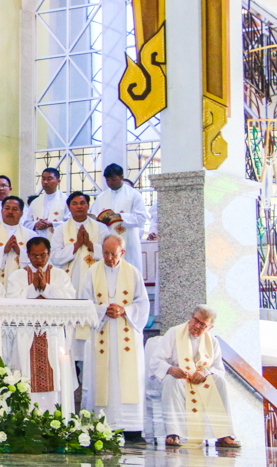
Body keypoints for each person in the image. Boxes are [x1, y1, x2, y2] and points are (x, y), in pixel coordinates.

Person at [80, 235, 150, 441]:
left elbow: (143, 304)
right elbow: (84, 304)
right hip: (102, 332)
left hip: (126, 334)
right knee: (104, 380)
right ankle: (103, 425)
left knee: (126, 379)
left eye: (113, 254)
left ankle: (132, 428)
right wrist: (103, 310)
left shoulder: (133, 272)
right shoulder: (92, 272)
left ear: (122, 253)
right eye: (105, 253)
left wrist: (124, 310)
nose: (109, 258)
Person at [150, 305, 239, 447]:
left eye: (203, 324)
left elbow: (218, 369)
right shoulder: (174, 333)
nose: (197, 326)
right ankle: (173, 433)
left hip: (200, 381)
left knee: (220, 381)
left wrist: (205, 372)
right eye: (196, 320)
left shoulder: (212, 341)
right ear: (191, 316)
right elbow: (156, 360)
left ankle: (223, 434)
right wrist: (171, 369)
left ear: (210, 328)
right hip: (178, 379)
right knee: (171, 380)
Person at [5, 237, 76, 412]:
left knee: (56, 376)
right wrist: (32, 289)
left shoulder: (60, 275)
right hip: (26, 334)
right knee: (25, 377)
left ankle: (56, 419)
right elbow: (12, 302)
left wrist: (46, 288)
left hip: (53, 335)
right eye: (34, 255)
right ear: (27, 255)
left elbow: (69, 301)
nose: (39, 260)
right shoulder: (17, 276)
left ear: (49, 253)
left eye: (42, 255)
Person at [50, 191, 109, 360]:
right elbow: (55, 256)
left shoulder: (101, 228)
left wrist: (89, 244)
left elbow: (109, 253)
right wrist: (76, 245)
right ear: (69, 207)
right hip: (70, 281)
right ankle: (72, 362)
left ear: (88, 206)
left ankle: (92, 359)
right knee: (71, 321)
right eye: (74, 203)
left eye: (82, 203)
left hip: (95, 279)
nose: (79, 207)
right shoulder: (61, 229)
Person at [92, 164, 149, 274]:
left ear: (122, 177)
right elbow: (94, 216)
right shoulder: (101, 197)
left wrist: (120, 217)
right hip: (108, 237)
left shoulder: (134, 195)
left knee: (129, 273)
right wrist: (99, 220)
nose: (110, 183)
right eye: (107, 180)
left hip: (128, 241)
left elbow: (142, 217)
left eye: (114, 179)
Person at [0, 196, 33, 286]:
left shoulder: (31, 234)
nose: (10, 212)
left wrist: (19, 251)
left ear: (21, 213)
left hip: (21, 283)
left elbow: (36, 258)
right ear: (1, 211)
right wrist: (3, 250)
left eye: (15, 209)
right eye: (7, 208)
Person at [23, 168, 66, 238]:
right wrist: (36, 224)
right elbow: (26, 223)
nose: (45, 182)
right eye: (43, 179)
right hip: (38, 240)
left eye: (49, 179)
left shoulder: (66, 201)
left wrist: (52, 224)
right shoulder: (35, 202)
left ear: (58, 181)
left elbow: (70, 223)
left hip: (58, 240)